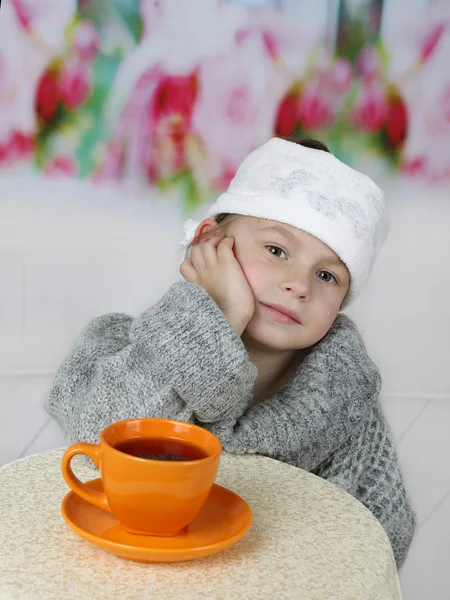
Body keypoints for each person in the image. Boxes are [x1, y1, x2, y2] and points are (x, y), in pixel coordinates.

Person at [46, 136, 416, 568]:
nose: (299, 284)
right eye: (276, 251)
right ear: (210, 241)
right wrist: (218, 314)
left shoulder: (344, 400)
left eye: (327, 275)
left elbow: (381, 535)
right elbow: (99, 438)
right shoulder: (115, 346)